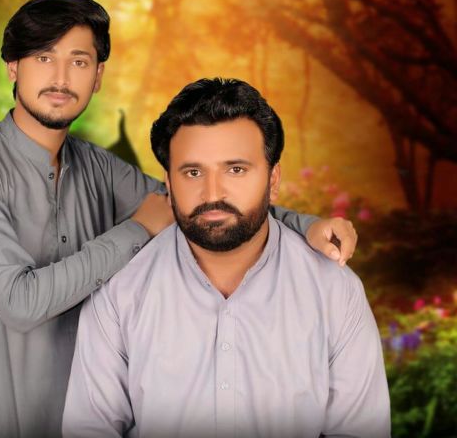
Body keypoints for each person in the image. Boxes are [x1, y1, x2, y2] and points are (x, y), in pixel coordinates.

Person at [0, 0, 358, 438]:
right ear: (13, 67)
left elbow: (199, 205)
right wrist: (138, 230)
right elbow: (20, 302)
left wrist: (305, 226)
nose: (60, 78)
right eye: (43, 58)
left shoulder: (95, 166)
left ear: (98, 76)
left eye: (79, 61)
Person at [62, 78, 389, 438]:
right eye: (193, 172)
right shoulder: (120, 292)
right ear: (168, 183)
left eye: (236, 170)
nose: (213, 193)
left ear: (273, 180)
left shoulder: (334, 292)